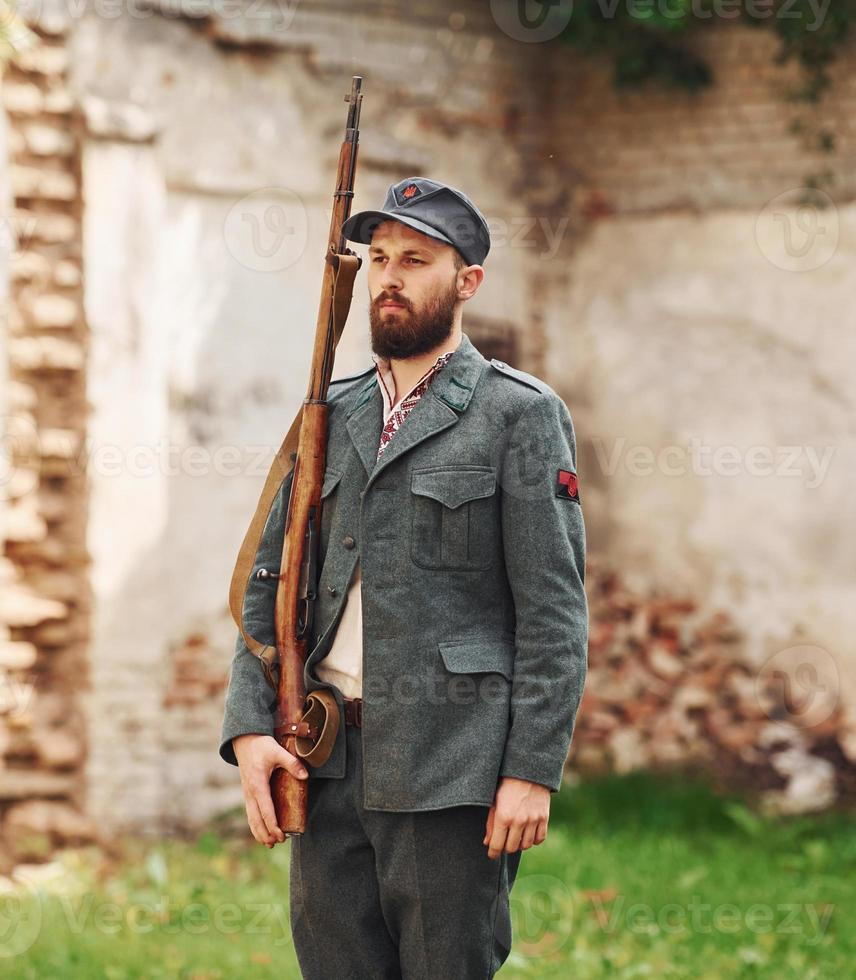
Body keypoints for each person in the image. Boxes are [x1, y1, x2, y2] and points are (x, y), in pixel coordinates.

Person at [218, 176, 588, 979]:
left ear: (467, 281)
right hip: (325, 759)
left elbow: (555, 614)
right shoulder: (331, 412)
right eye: (378, 257)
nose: (388, 276)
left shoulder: (517, 415)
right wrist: (250, 729)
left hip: (450, 766)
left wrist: (531, 771)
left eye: (415, 259)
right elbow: (268, 587)